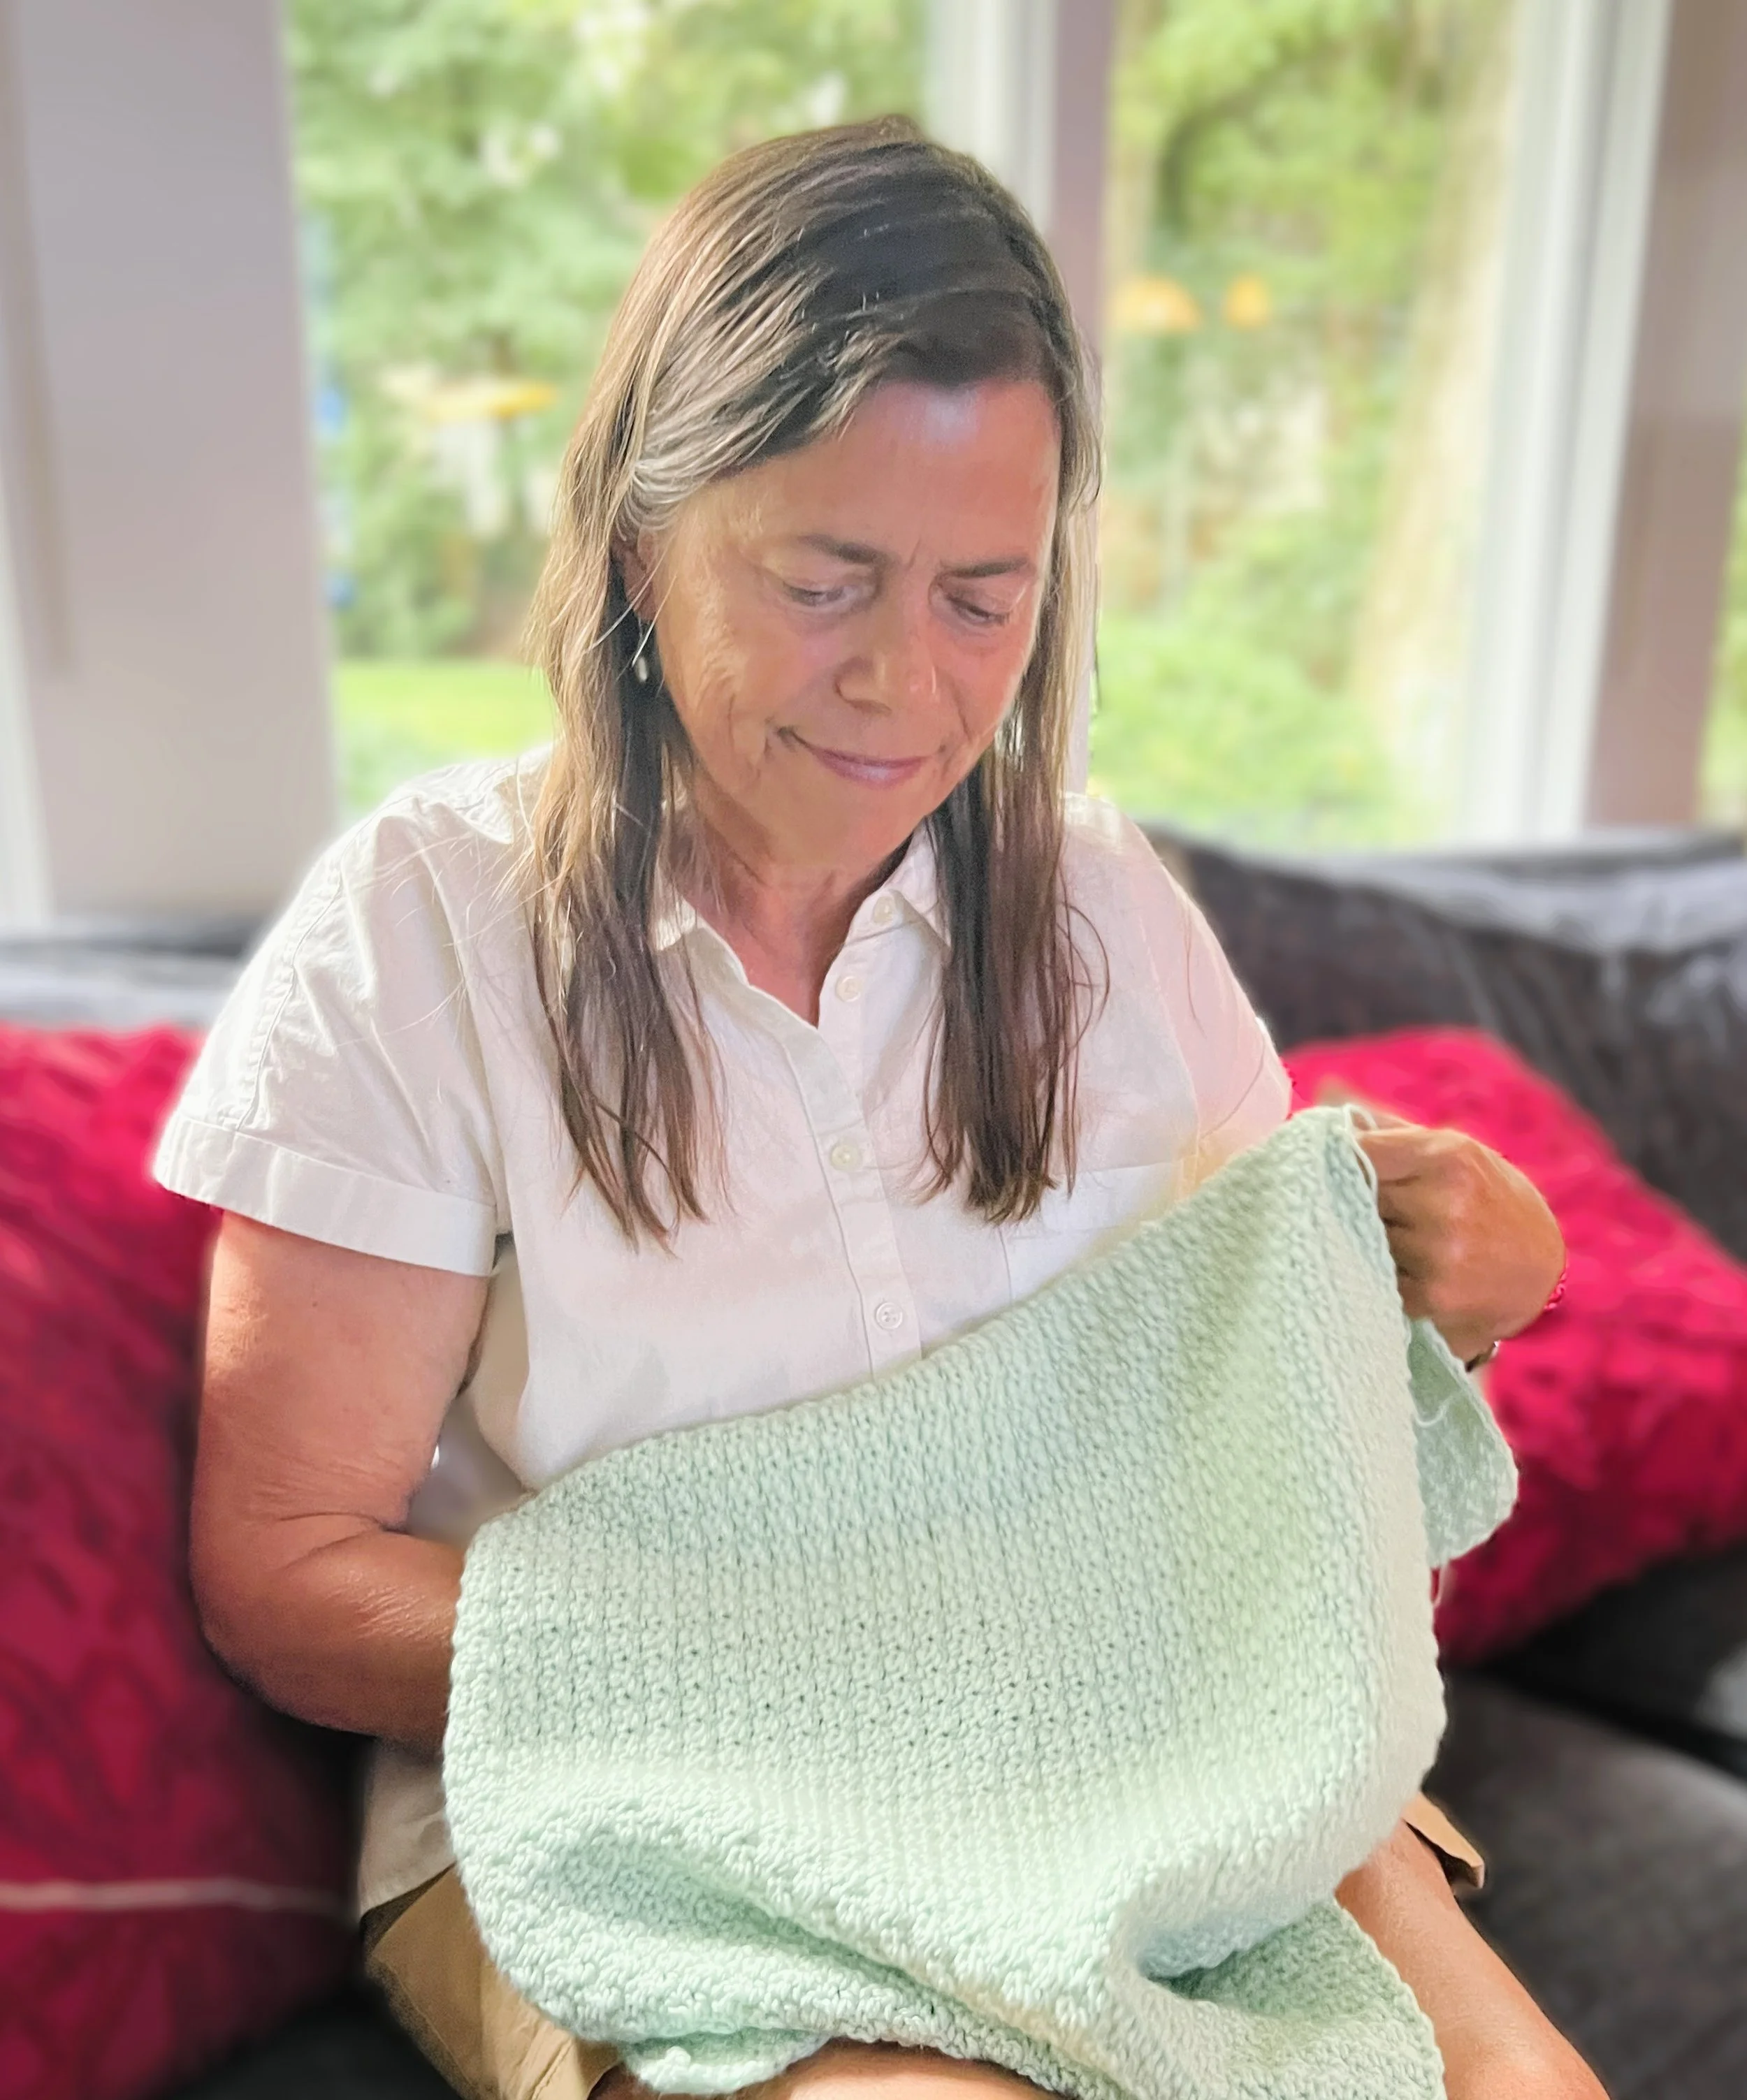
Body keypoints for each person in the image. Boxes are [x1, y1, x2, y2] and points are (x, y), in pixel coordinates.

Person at [155, 119, 1600, 2100]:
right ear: (646, 542)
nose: (904, 688)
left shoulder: (1101, 909)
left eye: (981, 598)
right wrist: (863, 1649)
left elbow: (1263, 1436)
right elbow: (290, 1573)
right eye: (827, 580)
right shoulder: (420, 934)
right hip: (643, 1801)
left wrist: (1468, 1280)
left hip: (1146, 1767)